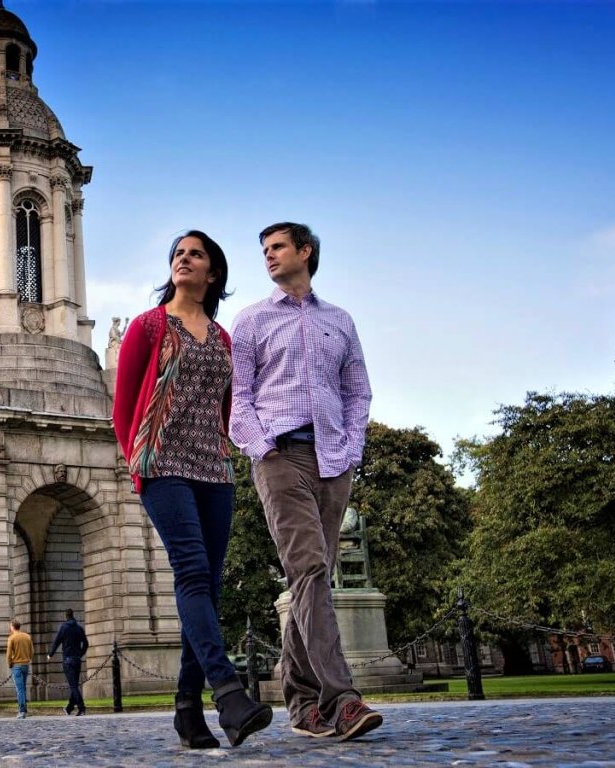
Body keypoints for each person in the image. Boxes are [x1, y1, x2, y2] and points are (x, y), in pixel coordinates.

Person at [112, 230, 273, 749]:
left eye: (195, 254)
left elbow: (229, 406)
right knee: (192, 572)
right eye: (179, 254)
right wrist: (137, 461)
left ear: (213, 273)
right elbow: (123, 408)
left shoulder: (225, 339)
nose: (184, 260)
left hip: (213, 468)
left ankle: (188, 712)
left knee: (206, 586)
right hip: (162, 462)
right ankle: (228, 692)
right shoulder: (148, 325)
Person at [229, 221, 382, 742]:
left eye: (277, 247)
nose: (269, 256)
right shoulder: (251, 321)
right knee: (311, 567)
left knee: (309, 578)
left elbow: (358, 391)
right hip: (280, 456)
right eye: (264, 250)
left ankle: (297, 700)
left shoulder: (339, 321)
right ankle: (340, 699)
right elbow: (239, 397)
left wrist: (351, 449)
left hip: (334, 459)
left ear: (305, 252)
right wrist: (262, 445)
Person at [47, 609, 89, 717]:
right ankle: (69, 708)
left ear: (65, 616)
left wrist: (50, 654)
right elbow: (86, 643)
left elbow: (56, 642)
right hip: (77, 660)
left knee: (73, 686)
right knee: (74, 684)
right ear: (73, 615)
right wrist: (80, 654)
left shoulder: (64, 628)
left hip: (68, 660)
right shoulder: (79, 628)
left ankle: (81, 708)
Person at [6, 618, 33, 719]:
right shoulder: (27, 636)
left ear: (12, 627)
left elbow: (9, 654)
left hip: (16, 665)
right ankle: (24, 708)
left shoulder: (12, 638)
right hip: (26, 664)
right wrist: (28, 659)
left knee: (20, 689)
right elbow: (32, 651)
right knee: (23, 688)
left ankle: (21, 711)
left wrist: (9, 663)